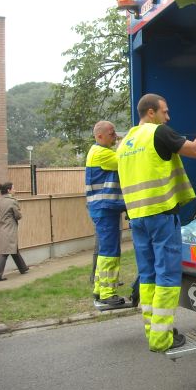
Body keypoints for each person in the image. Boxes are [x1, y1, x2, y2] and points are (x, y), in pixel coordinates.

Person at [117, 93, 196, 352]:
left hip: (137, 219)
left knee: (149, 275)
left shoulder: (126, 141)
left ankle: (155, 332)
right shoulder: (157, 133)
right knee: (167, 275)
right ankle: (162, 339)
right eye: (165, 112)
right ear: (151, 113)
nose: (168, 117)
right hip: (160, 216)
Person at [86, 121, 126, 305]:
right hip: (104, 207)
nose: (115, 135)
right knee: (110, 251)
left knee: (105, 250)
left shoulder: (99, 151)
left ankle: (98, 289)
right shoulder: (101, 154)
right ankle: (108, 293)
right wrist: (127, 143)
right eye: (112, 133)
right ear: (99, 136)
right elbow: (125, 161)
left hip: (104, 208)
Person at [0, 182, 29, 281]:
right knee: (5, 253)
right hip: (9, 229)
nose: (15, 190)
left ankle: (23, 268)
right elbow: (18, 216)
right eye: (13, 188)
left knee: (13, 249)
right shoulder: (12, 201)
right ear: (8, 190)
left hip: (1, 229)